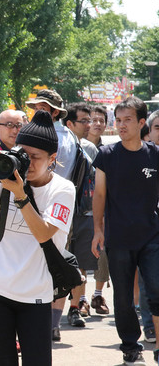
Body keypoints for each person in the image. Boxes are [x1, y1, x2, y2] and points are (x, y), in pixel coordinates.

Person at [0, 110, 75, 366]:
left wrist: (21, 195)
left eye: (35, 157)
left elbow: (44, 233)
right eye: (23, 154)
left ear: (52, 158)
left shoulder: (62, 189)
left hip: (34, 295)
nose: (27, 163)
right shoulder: (5, 177)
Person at [92, 97, 159, 365]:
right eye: (118, 120)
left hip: (152, 236)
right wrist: (97, 230)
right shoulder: (107, 155)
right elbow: (99, 194)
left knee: (156, 290)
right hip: (118, 238)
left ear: (141, 123)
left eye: (127, 120)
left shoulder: (155, 154)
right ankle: (131, 347)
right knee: (122, 298)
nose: (121, 125)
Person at [26, 89, 77, 340]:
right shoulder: (30, 132)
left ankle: (52, 323)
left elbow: (59, 175)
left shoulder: (64, 137)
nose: (38, 111)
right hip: (34, 197)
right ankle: (50, 323)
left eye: (43, 107)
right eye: (36, 107)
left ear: (55, 112)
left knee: (54, 262)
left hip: (55, 204)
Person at [61, 103, 99, 327]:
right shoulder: (59, 145)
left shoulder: (90, 149)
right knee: (57, 260)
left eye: (89, 120)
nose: (89, 125)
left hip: (83, 212)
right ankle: (52, 313)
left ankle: (75, 308)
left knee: (80, 262)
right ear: (70, 123)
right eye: (84, 121)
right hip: (60, 211)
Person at [85, 104, 111, 316]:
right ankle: (80, 299)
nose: (97, 124)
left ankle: (98, 294)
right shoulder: (77, 146)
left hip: (102, 206)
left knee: (102, 252)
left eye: (101, 120)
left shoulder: (108, 150)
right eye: (93, 119)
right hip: (80, 206)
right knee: (80, 252)